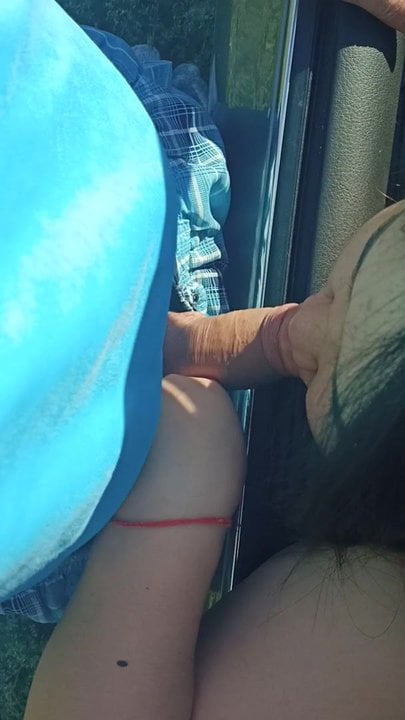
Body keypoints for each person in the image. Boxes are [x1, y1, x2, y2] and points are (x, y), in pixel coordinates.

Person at [20, 1, 405, 718]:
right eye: (335, 295)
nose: (305, 329)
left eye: (324, 369)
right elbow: (278, 338)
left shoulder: (371, 636)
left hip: (125, 548)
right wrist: (203, 345)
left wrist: (171, 509)